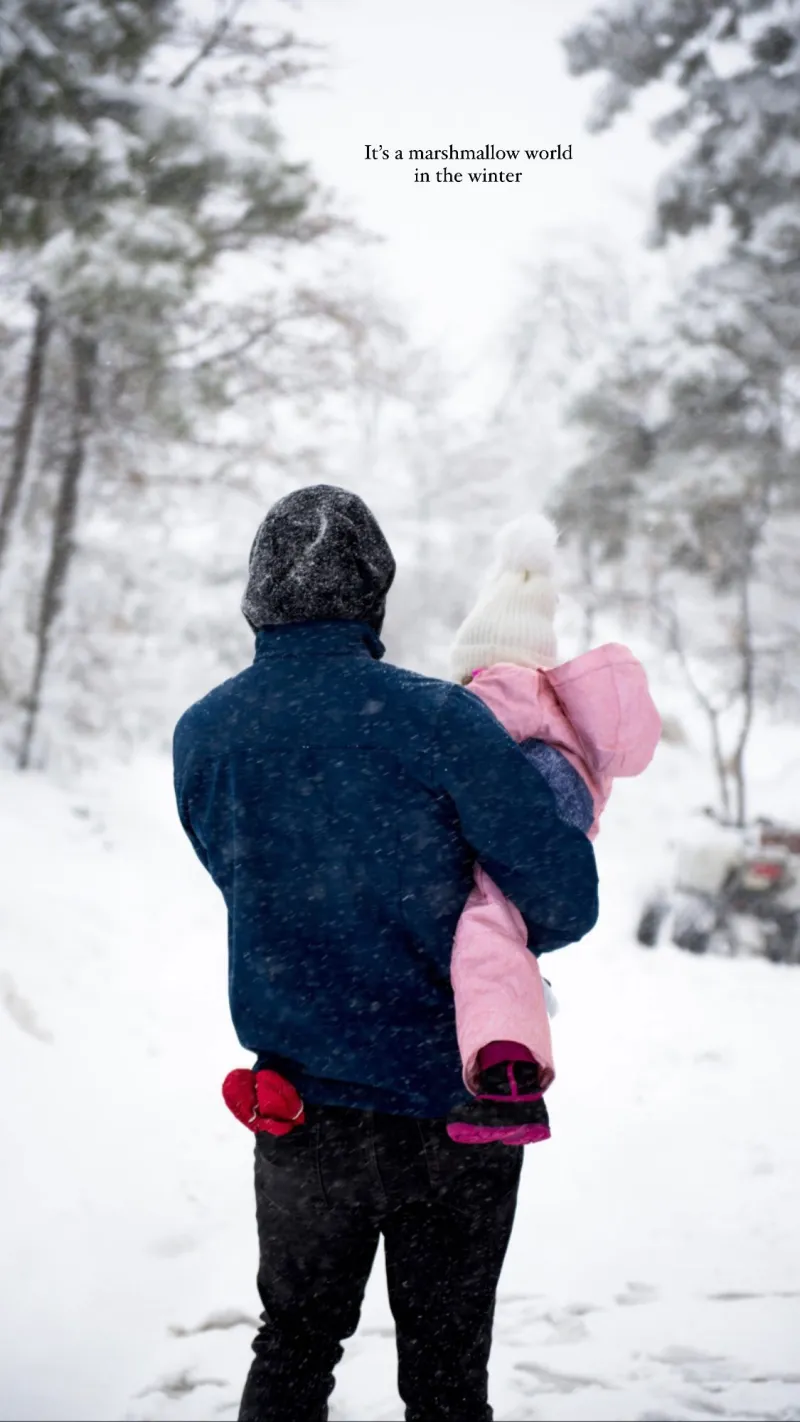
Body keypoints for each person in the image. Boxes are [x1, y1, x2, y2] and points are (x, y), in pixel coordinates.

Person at [172, 485, 599, 1422]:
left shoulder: (206, 733)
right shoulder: (442, 721)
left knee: (291, 1348)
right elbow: (563, 902)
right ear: (376, 590)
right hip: (451, 1108)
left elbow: (239, 877)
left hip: (300, 1110)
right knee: (446, 1383)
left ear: (258, 593)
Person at [446, 514, 662, 1146]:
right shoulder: (547, 699)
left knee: (485, 922)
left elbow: (460, 761)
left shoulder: (495, 688)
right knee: (503, 926)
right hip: (558, 798)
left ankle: (508, 1073)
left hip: (536, 791)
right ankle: (507, 1058)